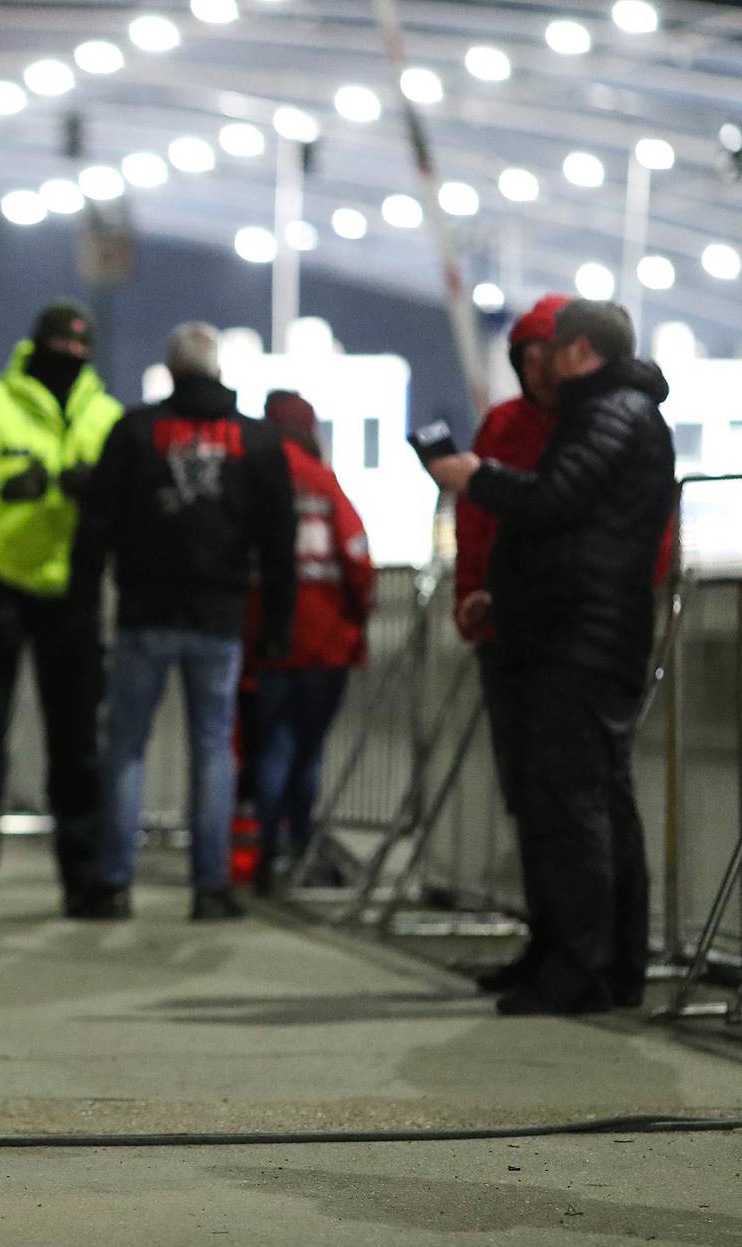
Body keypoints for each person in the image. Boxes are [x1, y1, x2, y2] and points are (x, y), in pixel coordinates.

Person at [425, 299, 675, 1016]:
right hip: (578, 629)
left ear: (577, 352)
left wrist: (476, 476)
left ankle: (583, 968)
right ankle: (604, 961)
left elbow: (558, 502)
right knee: (591, 800)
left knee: (576, 803)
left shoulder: (606, 414)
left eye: (554, 352)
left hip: (581, 637)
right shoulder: (618, 413)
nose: (546, 367)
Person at [72, 322, 295, 920]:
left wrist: (86, 603)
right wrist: (278, 619)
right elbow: (279, 539)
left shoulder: (135, 431)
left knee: (126, 749)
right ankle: (211, 887)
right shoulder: (257, 440)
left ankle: (114, 882)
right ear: (219, 370)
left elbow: (97, 525)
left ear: (170, 371)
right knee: (214, 750)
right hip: (219, 616)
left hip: (144, 613)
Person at [0, 300, 122, 912]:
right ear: (35, 348)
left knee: (76, 744)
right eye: (59, 352)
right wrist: (4, 490)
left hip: (72, 593)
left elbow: (132, 503)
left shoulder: (107, 416)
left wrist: (96, 492)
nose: (67, 363)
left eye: (77, 355)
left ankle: (82, 877)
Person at [453, 294, 568, 991]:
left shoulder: (587, 426)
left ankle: (575, 949)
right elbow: (475, 522)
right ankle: (547, 941)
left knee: (563, 797)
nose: (536, 368)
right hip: (506, 629)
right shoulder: (502, 424)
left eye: (544, 353)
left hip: (560, 631)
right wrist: (472, 595)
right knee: (525, 792)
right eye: (525, 356)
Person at [245, 390, 375, 895]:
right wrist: (359, 610)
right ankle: (298, 847)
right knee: (307, 747)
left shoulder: (255, 480)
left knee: (273, 744)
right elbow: (357, 555)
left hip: (270, 637)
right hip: (326, 640)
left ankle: (266, 849)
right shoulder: (324, 482)